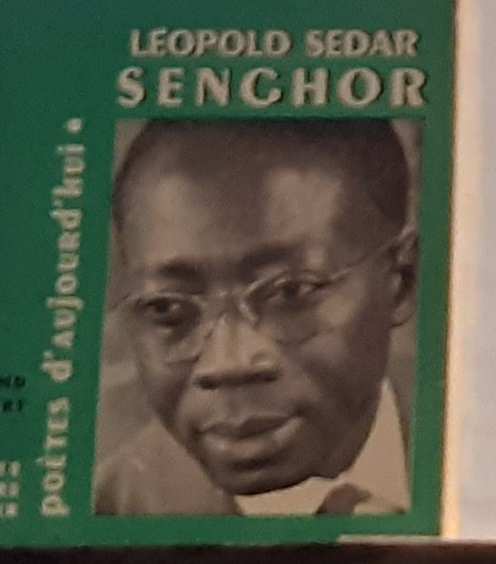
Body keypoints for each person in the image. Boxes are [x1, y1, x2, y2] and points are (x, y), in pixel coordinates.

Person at [91, 118, 419, 520]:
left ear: (400, 280)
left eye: (290, 292)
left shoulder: (467, 441)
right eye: (167, 309)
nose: (229, 362)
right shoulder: (110, 510)